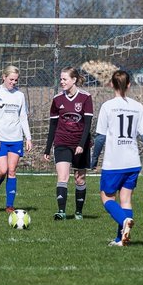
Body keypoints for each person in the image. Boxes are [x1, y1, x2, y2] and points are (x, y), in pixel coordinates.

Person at [90, 69, 143, 247]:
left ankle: (124, 221)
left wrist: (93, 158)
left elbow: (100, 138)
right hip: (132, 162)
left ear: (111, 85)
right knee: (126, 199)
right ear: (128, 85)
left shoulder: (107, 106)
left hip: (114, 163)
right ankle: (120, 239)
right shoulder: (138, 107)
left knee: (107, 199)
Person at [43, 66, 94, 220]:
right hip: (62, 142)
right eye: (61, 79)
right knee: (63, 176)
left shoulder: (85, 97)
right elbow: (53, 125)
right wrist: (47, 148)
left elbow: (87, 124)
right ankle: (61, 212)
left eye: (65, 79)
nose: (62, 82)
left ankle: (78, 212)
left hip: (80, 143)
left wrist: (81, 144)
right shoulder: (57, 99)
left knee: (79, 178)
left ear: (74, 80)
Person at [0, 65, 33, 213]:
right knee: (2, 169)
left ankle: (9, 206)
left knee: (12, 171)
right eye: (11, 79)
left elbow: (23, 117)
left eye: (16, 80)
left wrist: (28, 138)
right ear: (3, 77)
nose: (13, 82)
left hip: (16, 138)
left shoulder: (19, 95)